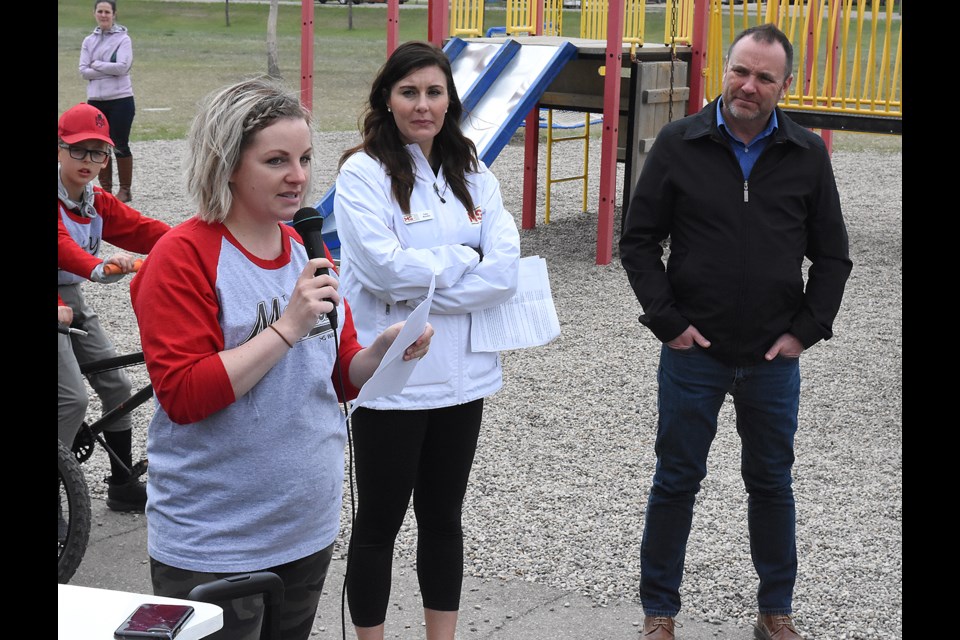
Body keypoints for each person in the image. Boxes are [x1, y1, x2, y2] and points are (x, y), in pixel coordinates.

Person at [128, 76, 434, 640]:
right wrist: (288, 326)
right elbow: (185, 395)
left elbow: (339, 375)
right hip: (215, 542)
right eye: (276, 160)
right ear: (227, 164)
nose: (299, 176)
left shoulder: (303, 249)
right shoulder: (181, 257)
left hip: (305, 529)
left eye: (305, 157)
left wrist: (386, 352)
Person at [619, 24, 853, 640]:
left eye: (764, 77)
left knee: (772, 483)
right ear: (724, 69)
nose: (748, 86)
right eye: (740, 71)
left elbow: (832, 256)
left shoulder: (807, 154)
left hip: (774, 357)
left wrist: (806, 331)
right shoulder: (678, 143)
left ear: (785, 84)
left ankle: (776, 609)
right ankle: (659, 613)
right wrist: (667, 322)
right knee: (676, 479)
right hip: (695, 352)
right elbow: (639, 241)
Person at [334, 41, 521, 640]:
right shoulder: (361, 172)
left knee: (444, 520)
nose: (422, 104)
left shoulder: (473, 171)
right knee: (378, 525)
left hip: (464, 378)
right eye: (409, 91)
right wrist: (467, 256)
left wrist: (434, 278)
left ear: (450, 100)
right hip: (393, 380)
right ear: (386, 99)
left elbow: (506, 272)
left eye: (434, 92)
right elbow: (385, 272)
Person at [58, 102, 170, 513]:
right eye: (78, 150)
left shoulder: (93, 199)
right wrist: (97, 266)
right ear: (58, 149)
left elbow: (140, 228)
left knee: (117, 385)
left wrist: (193, 242)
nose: (90, 161)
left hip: (70, 299)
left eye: (99, 152)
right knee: (70, 399)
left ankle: (122, 483)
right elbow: (63, 248)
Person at [80, 0, 136, 203]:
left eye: (107, 12)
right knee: (100, 144)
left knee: (120, 143)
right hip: (95, 101)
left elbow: (122, 67)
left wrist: (96, 65)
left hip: (121, 99)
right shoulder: (88, 41)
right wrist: (106, 68)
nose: (103, 15)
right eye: (100, 11)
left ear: (114, 14)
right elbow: (84, 71)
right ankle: (105, 189)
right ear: (94, 13)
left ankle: (125, 189)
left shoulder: (123, 39)